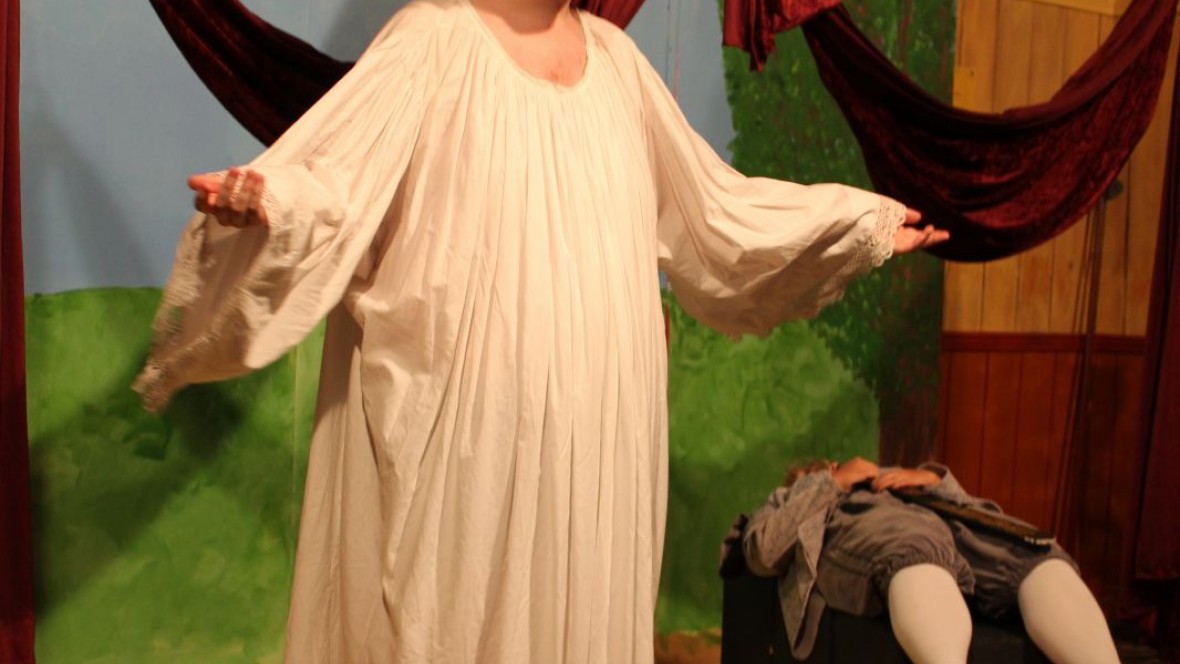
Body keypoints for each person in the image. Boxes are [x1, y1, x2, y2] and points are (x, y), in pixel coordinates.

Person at [135, 0, 947, 662]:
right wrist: (270, 202)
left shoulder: (618, 65)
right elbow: (340, 183)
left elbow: (718, 213)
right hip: (471, 447)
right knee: (460, 617)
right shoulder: (431, 42)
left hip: (597, 446)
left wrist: (858, 224)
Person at [742, 456, 1121, 664]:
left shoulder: (890, 476)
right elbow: (763, 551)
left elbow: (970, 506)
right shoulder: (792, 496)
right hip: (879, 531)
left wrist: (933, 480)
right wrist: (831, 484)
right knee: (913, 553)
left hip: (944, 515)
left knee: (1028, 556)